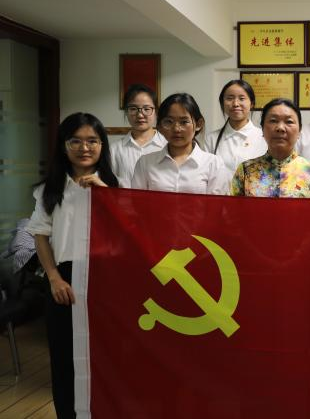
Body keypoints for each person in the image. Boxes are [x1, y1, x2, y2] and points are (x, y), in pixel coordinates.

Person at [27, 113, 118, 419]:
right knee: (64, 358)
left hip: (104, 281)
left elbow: (124, 235)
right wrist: (53, 278)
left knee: (104, 357)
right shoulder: (48, 190)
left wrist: (105, 193)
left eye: (92, 141)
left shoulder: (116, 188)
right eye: (75, 141)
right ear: (63, 146)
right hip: (63, 280)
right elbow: (40, 236)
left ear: (102, 145)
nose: (84, 148)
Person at [131, 93, 230, 194]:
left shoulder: (213, 164)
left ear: (198, 124)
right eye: (169, 122)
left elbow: (217, 203)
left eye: (184, 122)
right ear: (160, 127)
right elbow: (138, 201)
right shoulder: (145, 163)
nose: (176, 129)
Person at [231, 98, 310, 198]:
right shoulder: (246, 170)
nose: (280, 128)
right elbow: (233, 207)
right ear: (262, 128)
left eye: (289, 121)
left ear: (299, 131)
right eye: (273, 121)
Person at [202, 79, 266, 173]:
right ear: (222, 104)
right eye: (230, 98)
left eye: (242, 98)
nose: (235, 104)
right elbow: (206, 173)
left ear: (251, 104)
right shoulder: (211, 139)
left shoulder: (264, 137)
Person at [110, 84, 167, 187]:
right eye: (133, 109)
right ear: (126, 112)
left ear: (156, 111)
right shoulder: (115, 150)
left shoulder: (167, 145)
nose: (140, 115)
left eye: (147, 109)